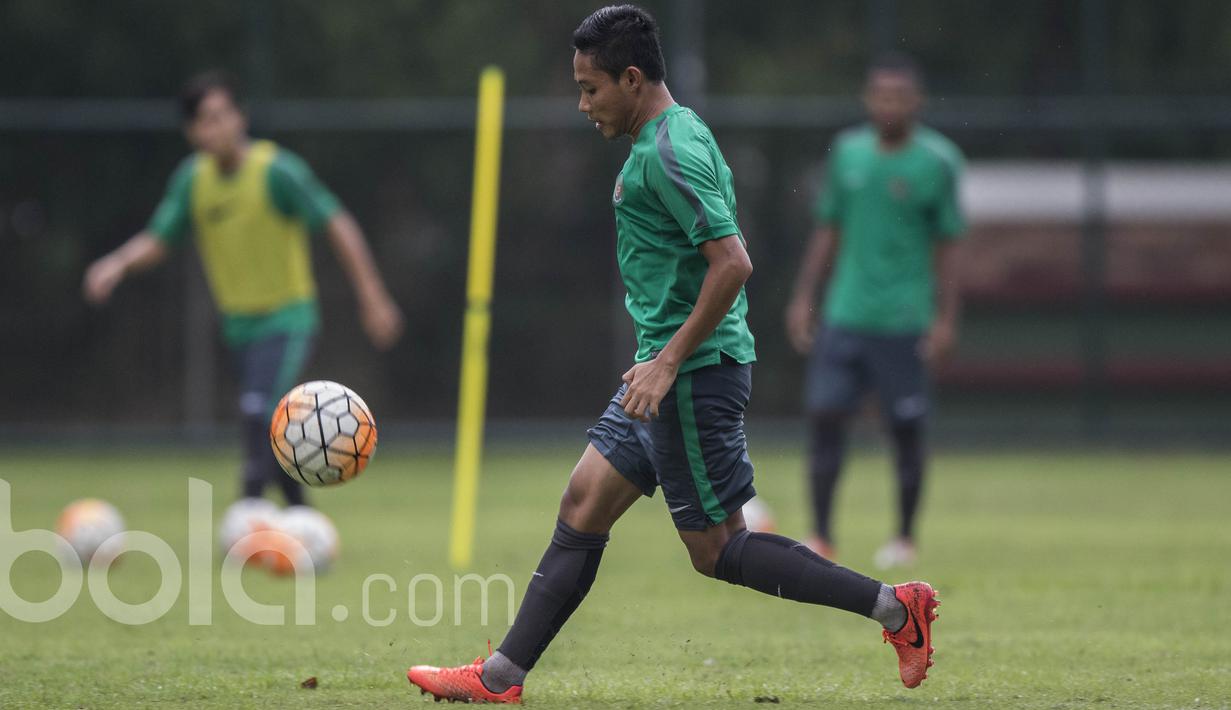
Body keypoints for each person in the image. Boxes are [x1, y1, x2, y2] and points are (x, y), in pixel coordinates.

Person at [406, 7, 939, 704]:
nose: (583, 105)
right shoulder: (672, 133)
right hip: (660, 372)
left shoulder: (667, 152)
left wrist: (666, 363)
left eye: (591, 88)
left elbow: (733, 262)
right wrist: (656, 362)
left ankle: (896, 608)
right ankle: (500, 678)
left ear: (631, 79)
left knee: (717, 551)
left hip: (687, 376)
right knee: (582, 502)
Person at [83, 71, 403, 507]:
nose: (217, 127)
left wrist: (372, 295)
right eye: (205, 120)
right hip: (238, 325)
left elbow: (336, 222)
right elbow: (160, 238)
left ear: (241, 117)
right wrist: (117, 263)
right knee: (277, 426)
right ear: (193, 131)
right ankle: (302, 519)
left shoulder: (277, 171)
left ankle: (249, 510)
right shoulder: (193, 180)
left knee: (258, 411)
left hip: (288, 316)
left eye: (223, 115)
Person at [785, 53, 965, 569]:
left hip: (903, 318)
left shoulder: (938, 161)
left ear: (917, 101)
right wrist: (804, 296)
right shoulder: (847, 153)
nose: (889, 105)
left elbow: (949, 246)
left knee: (906, 429)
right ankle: (821, 535)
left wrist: (946, 318)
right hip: (845, 313)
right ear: (869, 100)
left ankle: (904, 538)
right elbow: (828, 229)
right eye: (881, 96)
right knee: (825, 416)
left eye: (899, 97)